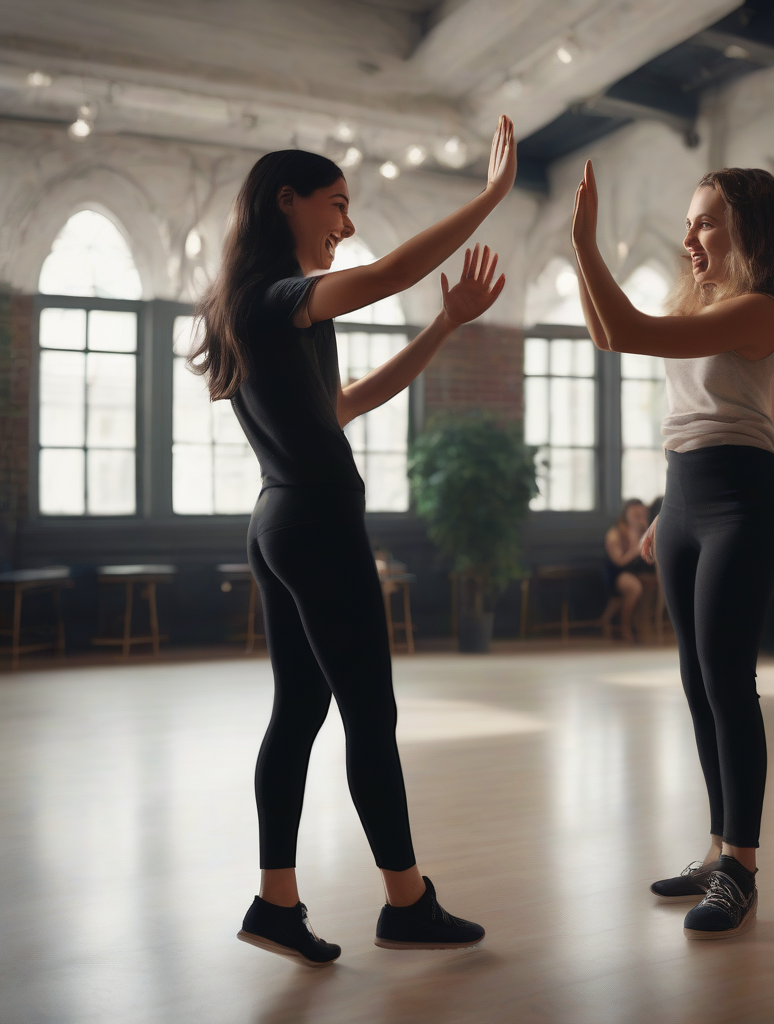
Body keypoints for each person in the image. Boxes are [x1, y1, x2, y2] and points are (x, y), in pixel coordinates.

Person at [190, 116, 517, 965]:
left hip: (279, 520)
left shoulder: (260, 309)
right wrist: (489, 199)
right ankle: (406, 902)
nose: (347, 222)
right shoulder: (278, 297)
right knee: (371, 714)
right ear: (285, 202)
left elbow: (344, 405)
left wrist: (443, 327)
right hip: (317, 522)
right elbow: (384, 274)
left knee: (300, 711)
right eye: (336, 204)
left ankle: (276, 902)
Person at [572, 161, 774, 939]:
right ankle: (717, 848)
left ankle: (741, 867)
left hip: (742, 498)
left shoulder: (761, 308)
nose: (690, 235)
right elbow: (608, 336)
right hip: (683, 497)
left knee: (726, 679)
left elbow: (623, 332)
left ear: (747, 229)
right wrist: (663, 509)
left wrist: (584, 242)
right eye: (688, 221)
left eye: (705, 220)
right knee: (694, 678)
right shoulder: (707, 304)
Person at [603, 498, 657, 642]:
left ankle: (643, 624)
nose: (639, 518)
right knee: (634, 587)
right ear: (625, 514)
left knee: (652, 583)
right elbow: (618, 562)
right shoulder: (616, 533)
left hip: (638, 571)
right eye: (635, 515)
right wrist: (636, 549)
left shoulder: (646, 531)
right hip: (618, 572)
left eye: (642, 514)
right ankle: (624, 627)